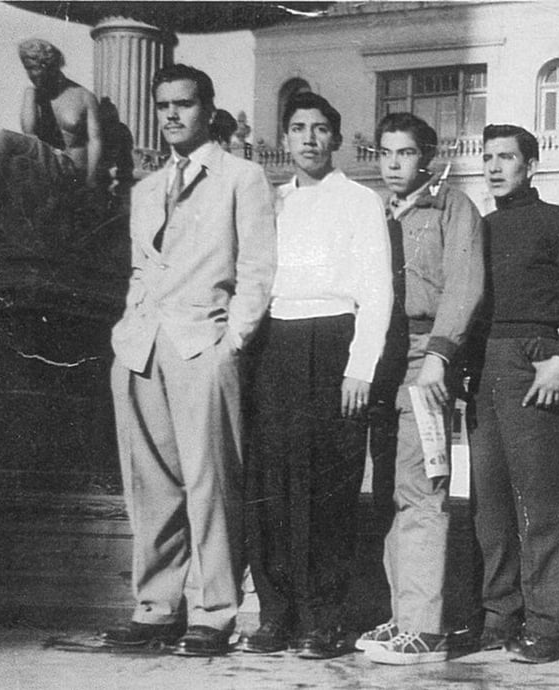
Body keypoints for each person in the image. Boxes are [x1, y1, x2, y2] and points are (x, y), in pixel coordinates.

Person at [103, 64, 276, 657]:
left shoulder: (242, 177)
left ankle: (215, 609)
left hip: (204, 344)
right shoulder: (146, 189)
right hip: (141, 348)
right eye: (163, 105)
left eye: (183, 104)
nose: (172, 115)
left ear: (206, 108)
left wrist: (234, 342)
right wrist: (126, 334)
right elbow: (139, 270)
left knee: (212, 483)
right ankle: (155, 606)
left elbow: (256, 269)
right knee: (149, 486)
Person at [242, 92, 392, 660]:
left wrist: (360, 366)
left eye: (320, 128)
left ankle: (323, 619)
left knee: (327, 490)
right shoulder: (270, 202)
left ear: (335, 138)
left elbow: (377, 290)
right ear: (283, 138)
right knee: (270, 486)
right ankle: (276, 614)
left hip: (333, 343)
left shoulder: (359, 200)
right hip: (274, 346)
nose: (308, 138)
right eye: (298, 128)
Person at [468, 124, 559, 664]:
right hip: (485, 365)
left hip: (534, 360)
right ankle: (499, 617)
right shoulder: (480, 227)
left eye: (507, 158)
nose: (495, 167)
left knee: (540, 501)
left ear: (531, 166)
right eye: (488, 157)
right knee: (489, 504)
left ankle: (545, 624)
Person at [357, 113, 484, 665]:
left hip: (427, 356)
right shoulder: (374, 210)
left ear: (427, 156)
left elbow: (465, 283)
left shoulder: (453, 207)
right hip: (380, 357)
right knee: (388, 489)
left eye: (405, 153)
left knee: (424, 489)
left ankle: (425, 628)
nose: (392, 164)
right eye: (384, 152)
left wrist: (439, 354)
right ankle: (400, 617)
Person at [0, 38, 103, 250]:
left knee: (5, 139)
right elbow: (29, 133)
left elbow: (96, 140)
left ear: (48, 65)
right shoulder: (36, 95)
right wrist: (31, 95)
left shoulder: (83, 96)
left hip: (72, 171)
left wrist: (91, 182)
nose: (29, 74)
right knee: (15, 160)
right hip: (47, 165)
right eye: (27, 68)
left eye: (32, 68)